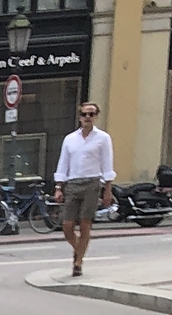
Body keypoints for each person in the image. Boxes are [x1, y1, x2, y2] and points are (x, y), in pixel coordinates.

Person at [53, 100, 114, 277]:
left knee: (85, 223)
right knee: (67, 225)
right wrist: (59, 187)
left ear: (96, 117)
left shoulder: (103, 138)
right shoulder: (70, 139)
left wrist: (108, 188)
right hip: (73, 183)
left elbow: (107, 163)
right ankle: (79, 248)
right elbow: (63, 163)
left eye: (91, 114)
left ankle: (78, 262)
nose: (88, 117)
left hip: (92, 183)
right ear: (80, 117)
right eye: (85, 114)